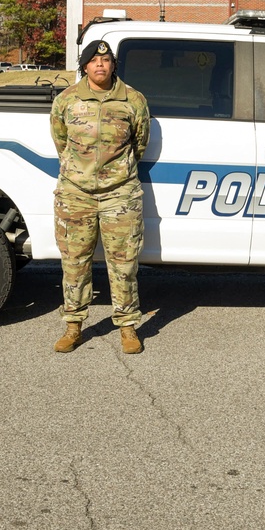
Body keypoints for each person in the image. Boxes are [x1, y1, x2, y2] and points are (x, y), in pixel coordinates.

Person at [50, 40, 151, 354]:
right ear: (84, 65)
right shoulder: (66, 100)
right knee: (74, 264)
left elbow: (140, 143)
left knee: (124, 265)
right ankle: (74, 326)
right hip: (75, 194)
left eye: (105, 60)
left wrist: (113, 172)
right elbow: (60, 140)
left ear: (113, 65)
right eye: (93, 60)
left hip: (120, 194)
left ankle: (128, 327)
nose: (100, 65)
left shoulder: (133, 100)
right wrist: (81, 172)